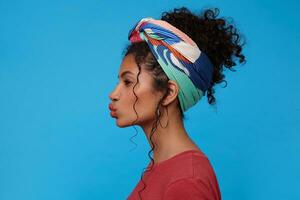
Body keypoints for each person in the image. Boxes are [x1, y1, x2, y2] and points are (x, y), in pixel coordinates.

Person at [108, 6, 246, 200]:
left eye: (128, 82)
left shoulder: (187, 181)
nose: (113, 94)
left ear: (169, 92)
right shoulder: (162, 166)